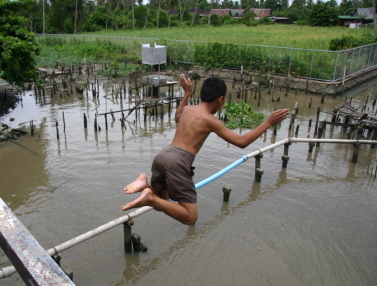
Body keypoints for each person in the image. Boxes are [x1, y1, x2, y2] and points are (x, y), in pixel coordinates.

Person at [122, 74, 289, 225]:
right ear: (221, 99)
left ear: (200, 95)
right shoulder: (210, 120)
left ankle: (146, 184)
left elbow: (177, 116)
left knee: (162, 203)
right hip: (179, 161)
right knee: (190, 217)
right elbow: (241, 141)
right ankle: (149, 194)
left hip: (162, 155)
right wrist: (268, 122)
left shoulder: (188, 109)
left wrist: (187, 92)